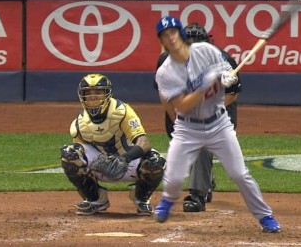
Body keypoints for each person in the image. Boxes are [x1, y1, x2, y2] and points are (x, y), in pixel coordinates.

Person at [152, 16, 281, 233]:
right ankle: (167, 199)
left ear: (180, 33)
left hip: (219, 125)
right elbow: (182, 106)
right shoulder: (165, 72)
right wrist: (203, 86)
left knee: (240, 174)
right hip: (187, 128)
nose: (171, 38)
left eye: (173, 32)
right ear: (162, 41)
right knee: (173, 178)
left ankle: (265, 216)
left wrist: (224, 78)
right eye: (166, 35)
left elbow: (223, 74)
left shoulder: (207, 51)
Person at [153, 22, 242, 213]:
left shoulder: (221, 58)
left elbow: (232, 93)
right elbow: (164, 95)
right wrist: (176, 116)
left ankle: (197, 195)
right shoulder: (167, 60)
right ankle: (205, 181)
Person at [61, 73, 166, 216]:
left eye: (98, 93)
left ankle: (141, 197)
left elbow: (144, 142)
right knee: (70, 153)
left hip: (128, 163)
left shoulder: (122, 112)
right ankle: (96, 199)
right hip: (102, 166)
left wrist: (124, 158)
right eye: (88, 93)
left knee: (156, 161)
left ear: (107, 94)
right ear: (82, 96)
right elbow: (81, 157)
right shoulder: (79, 123)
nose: (93, 97)